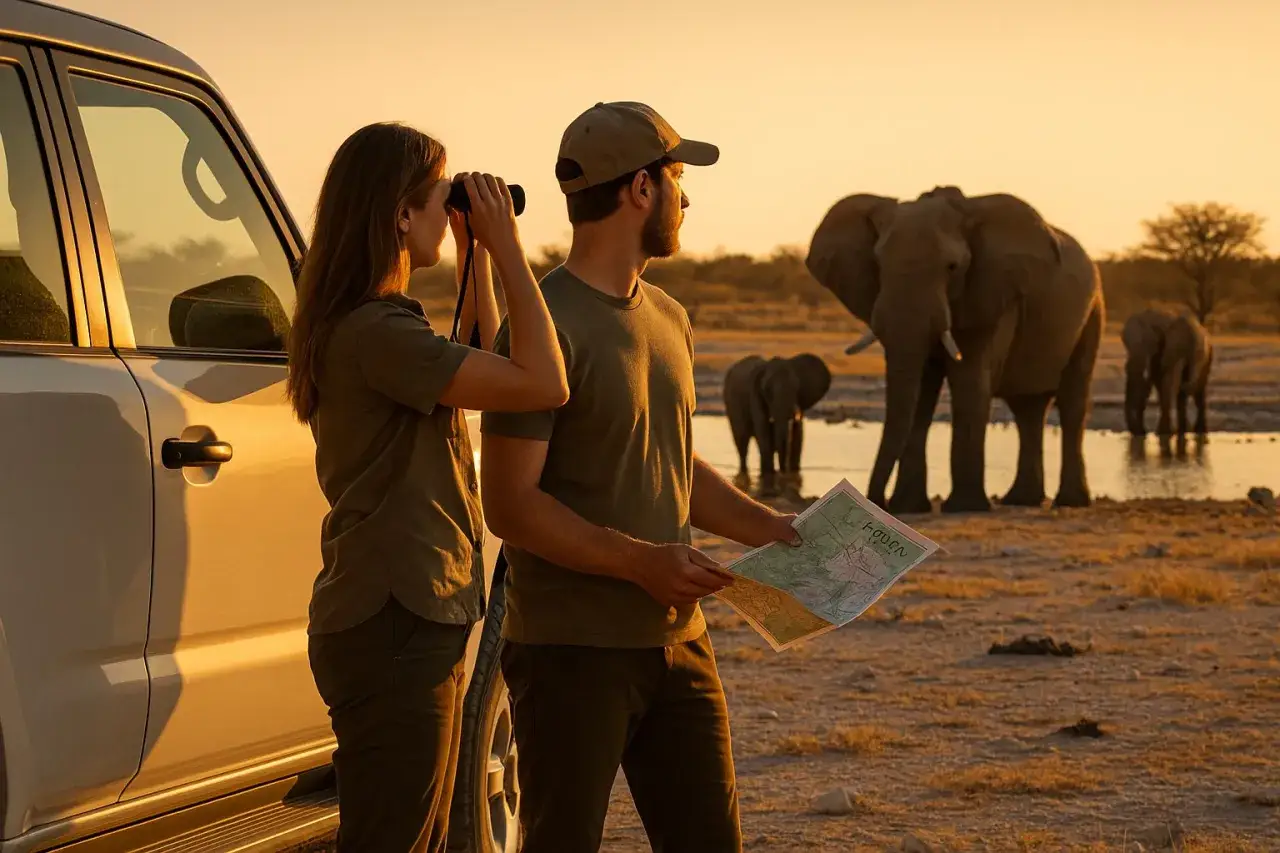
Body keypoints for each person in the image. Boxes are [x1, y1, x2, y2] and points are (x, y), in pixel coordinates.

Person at [480, 101, 802, 853]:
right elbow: (510, 503)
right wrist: (640, 562)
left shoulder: (670, 315)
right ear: (640, 191)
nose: (686, 198)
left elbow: (670, 459)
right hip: (570, 653)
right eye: (678, 177)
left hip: (681, 646)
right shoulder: (541, 325)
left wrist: (772, 528)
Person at [284, 122, 567, 853]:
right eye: (440, 198)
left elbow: (471, 369)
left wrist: (475, 253)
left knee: (418, 837)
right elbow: (544, 381)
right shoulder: (379, 332)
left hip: (397, 617)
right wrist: (507, 249)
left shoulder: (372, 327)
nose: (450, 209)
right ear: (400, 214)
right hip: (395, 623)